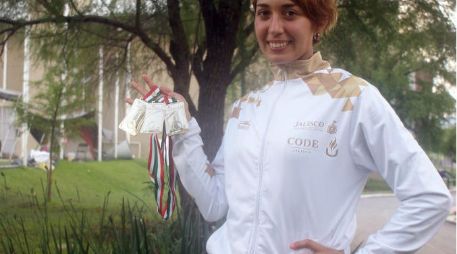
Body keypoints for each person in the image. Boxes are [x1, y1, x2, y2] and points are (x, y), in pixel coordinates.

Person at [129, 0, 453, 253]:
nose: (274, 27)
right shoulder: (247, 107)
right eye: (263, 13)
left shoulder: (353, 98)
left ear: (319, 21)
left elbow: (429, 197)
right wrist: (183, 128)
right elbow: (215, 204)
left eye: (289, 12)